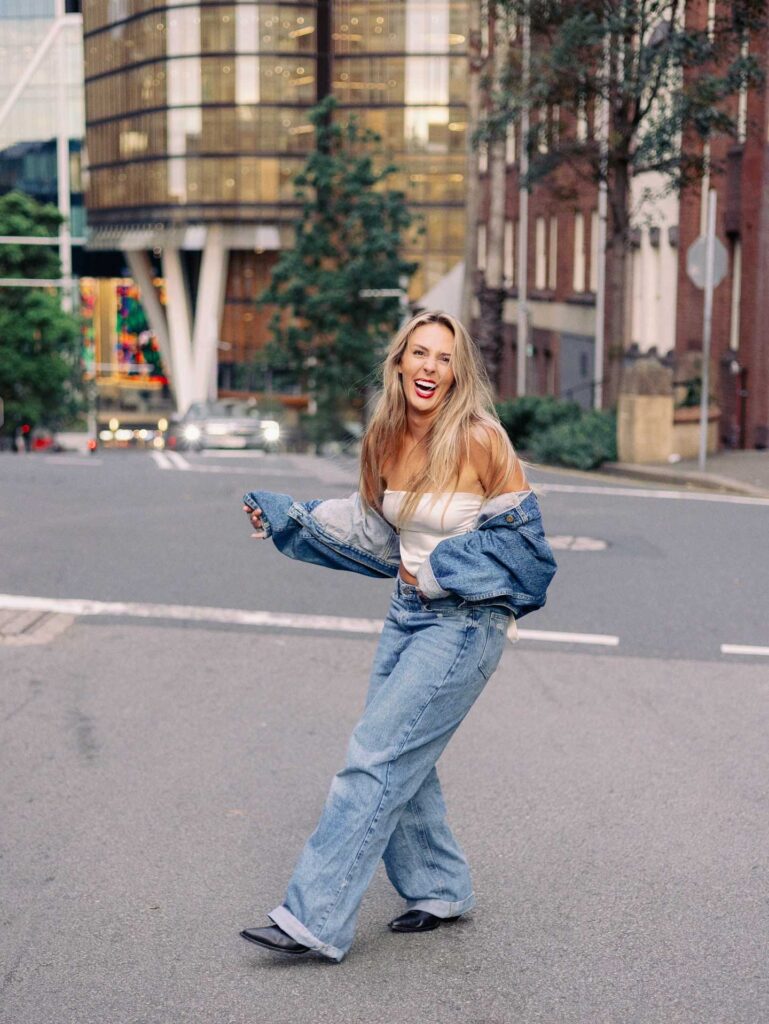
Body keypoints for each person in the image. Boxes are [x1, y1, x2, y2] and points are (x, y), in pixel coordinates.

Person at [239, 311, 557, 962]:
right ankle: (439, 888)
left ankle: (314, 918)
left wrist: (438, 569)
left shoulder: (479, 439)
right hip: (405, 616)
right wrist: (287, 518)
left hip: (468, 621)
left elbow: (527, 553)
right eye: (420, 353)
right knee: (405, 758)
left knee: (375, 759)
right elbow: (368, 528)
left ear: (457, 373)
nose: (430, 368)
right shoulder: (383, 436)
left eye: (444, 358)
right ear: (399, 363)